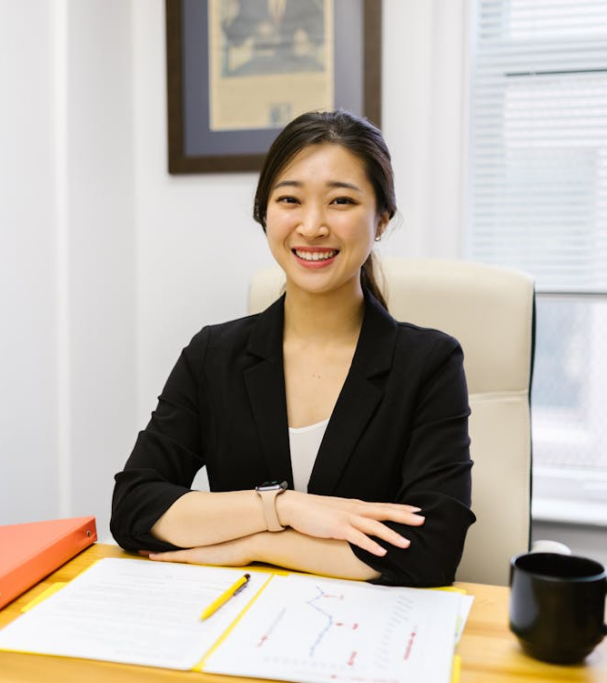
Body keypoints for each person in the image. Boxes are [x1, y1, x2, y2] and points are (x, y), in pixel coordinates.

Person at [110, 110, 474, 587]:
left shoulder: (428, 364)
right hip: (233, 627)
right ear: (266, 213)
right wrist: (285, 507)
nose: (312, 225)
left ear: (381, 219)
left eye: (341, 200)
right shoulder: (213, 354)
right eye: (289, 200)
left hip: (365, 635)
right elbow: (136, 507)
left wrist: (256, 544)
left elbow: (430, 551)